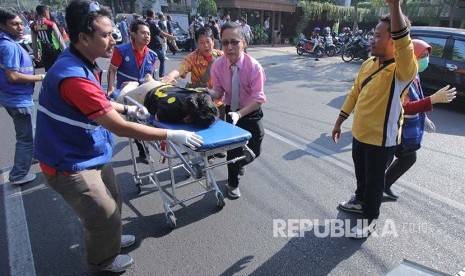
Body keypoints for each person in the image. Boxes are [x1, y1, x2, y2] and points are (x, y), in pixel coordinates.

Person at [33, 0, 202, 272]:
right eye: (106, 34)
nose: (113, 39)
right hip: (67, 163)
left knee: (115, 199)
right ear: (83, 38)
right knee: (104, 214)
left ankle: (109, 238)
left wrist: (127, 106)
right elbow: (119, 128)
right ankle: (101, 261)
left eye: (113, 33)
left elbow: (99, 101)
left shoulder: (81, 62)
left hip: (89, 151)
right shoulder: (73, 76)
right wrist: (171, 134)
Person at [331, 0, 417, 238]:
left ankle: (370, 220)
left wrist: (394, 5)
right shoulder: (369, 63)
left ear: (393, 41)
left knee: (375, 184)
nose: (372, 39)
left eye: (378, 36)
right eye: (373, 34)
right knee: (362, 178)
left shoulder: (402, 71)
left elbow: (404, 42)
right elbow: (355, 93)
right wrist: (340, 122)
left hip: (381, 142)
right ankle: (359, 201)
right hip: (359, 136)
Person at [384, 39, 457, 200]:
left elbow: (417, 98)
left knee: (409, 157)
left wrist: (424, 118)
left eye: (427, 55)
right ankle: (366, 195)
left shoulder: (415, 74)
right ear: (412, 55)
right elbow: (404, 107)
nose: (425, 59)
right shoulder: (401, 76)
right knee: (385, 163)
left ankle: (384, 184)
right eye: (422, 55)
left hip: (407, 127)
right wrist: (432, 100)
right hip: (393, 128)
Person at [208, 22, 266, 198]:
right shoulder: (218, 65)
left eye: (234, 42)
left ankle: (240, 165)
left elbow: (258, 99)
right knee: (233, 150)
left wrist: (239, 114)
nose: (229, 47)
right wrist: (209, 92)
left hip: (250, 111)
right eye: (225, 43)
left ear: (244, 43)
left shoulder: (254, 67)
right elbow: (219, 91)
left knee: (255, 149)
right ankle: (232, 183)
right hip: (230, 109)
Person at [0, 8, 45, 185]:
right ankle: (18, 174)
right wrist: (41, 77)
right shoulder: (9, 46)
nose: (20, 27)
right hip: (18, 99)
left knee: (29, 132)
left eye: (21, 23)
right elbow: (13, 76)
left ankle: (33, 156)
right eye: (14, 24)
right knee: (25, 138)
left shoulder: (7, 43)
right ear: (2, 26)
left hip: (14, 98)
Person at [107, 19, 157, 164]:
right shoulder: (121, 50)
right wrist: (110, 88)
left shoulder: (152, 55)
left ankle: (147, 139)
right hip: (126, 93)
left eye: (149, 33)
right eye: (143, 33)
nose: (147, 36)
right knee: (135, 120)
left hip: (142, 91)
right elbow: (112, 70)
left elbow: (150, 77)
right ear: (134, 34)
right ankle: (143, 151)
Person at [115, 76, 218, 127]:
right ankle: (132, 84)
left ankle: (149, 78)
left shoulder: (201, 94)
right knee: (120, 100)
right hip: (146, 92)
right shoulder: (173, 110)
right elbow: (156, 118)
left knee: (156, 85)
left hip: (166, 87)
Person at [30, 5, 67, 71]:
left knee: (50, 71)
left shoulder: (33, 25)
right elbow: (59, 38)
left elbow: (34, 42)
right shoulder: (51, 24)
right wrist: (65, 51)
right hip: (55, 50)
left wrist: (35, 54)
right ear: (45, 12)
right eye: (48, 11)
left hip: (44, 51)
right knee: (60, 69)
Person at [145, 9, 175, 78]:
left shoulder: (144, 23)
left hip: (147, 45)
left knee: (150, 62)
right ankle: (161, 76)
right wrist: (171, 37)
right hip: (155, 45)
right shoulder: (153, 23)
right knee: (162, 59)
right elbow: (161, 33)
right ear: (152, 14)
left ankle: (151, 77)